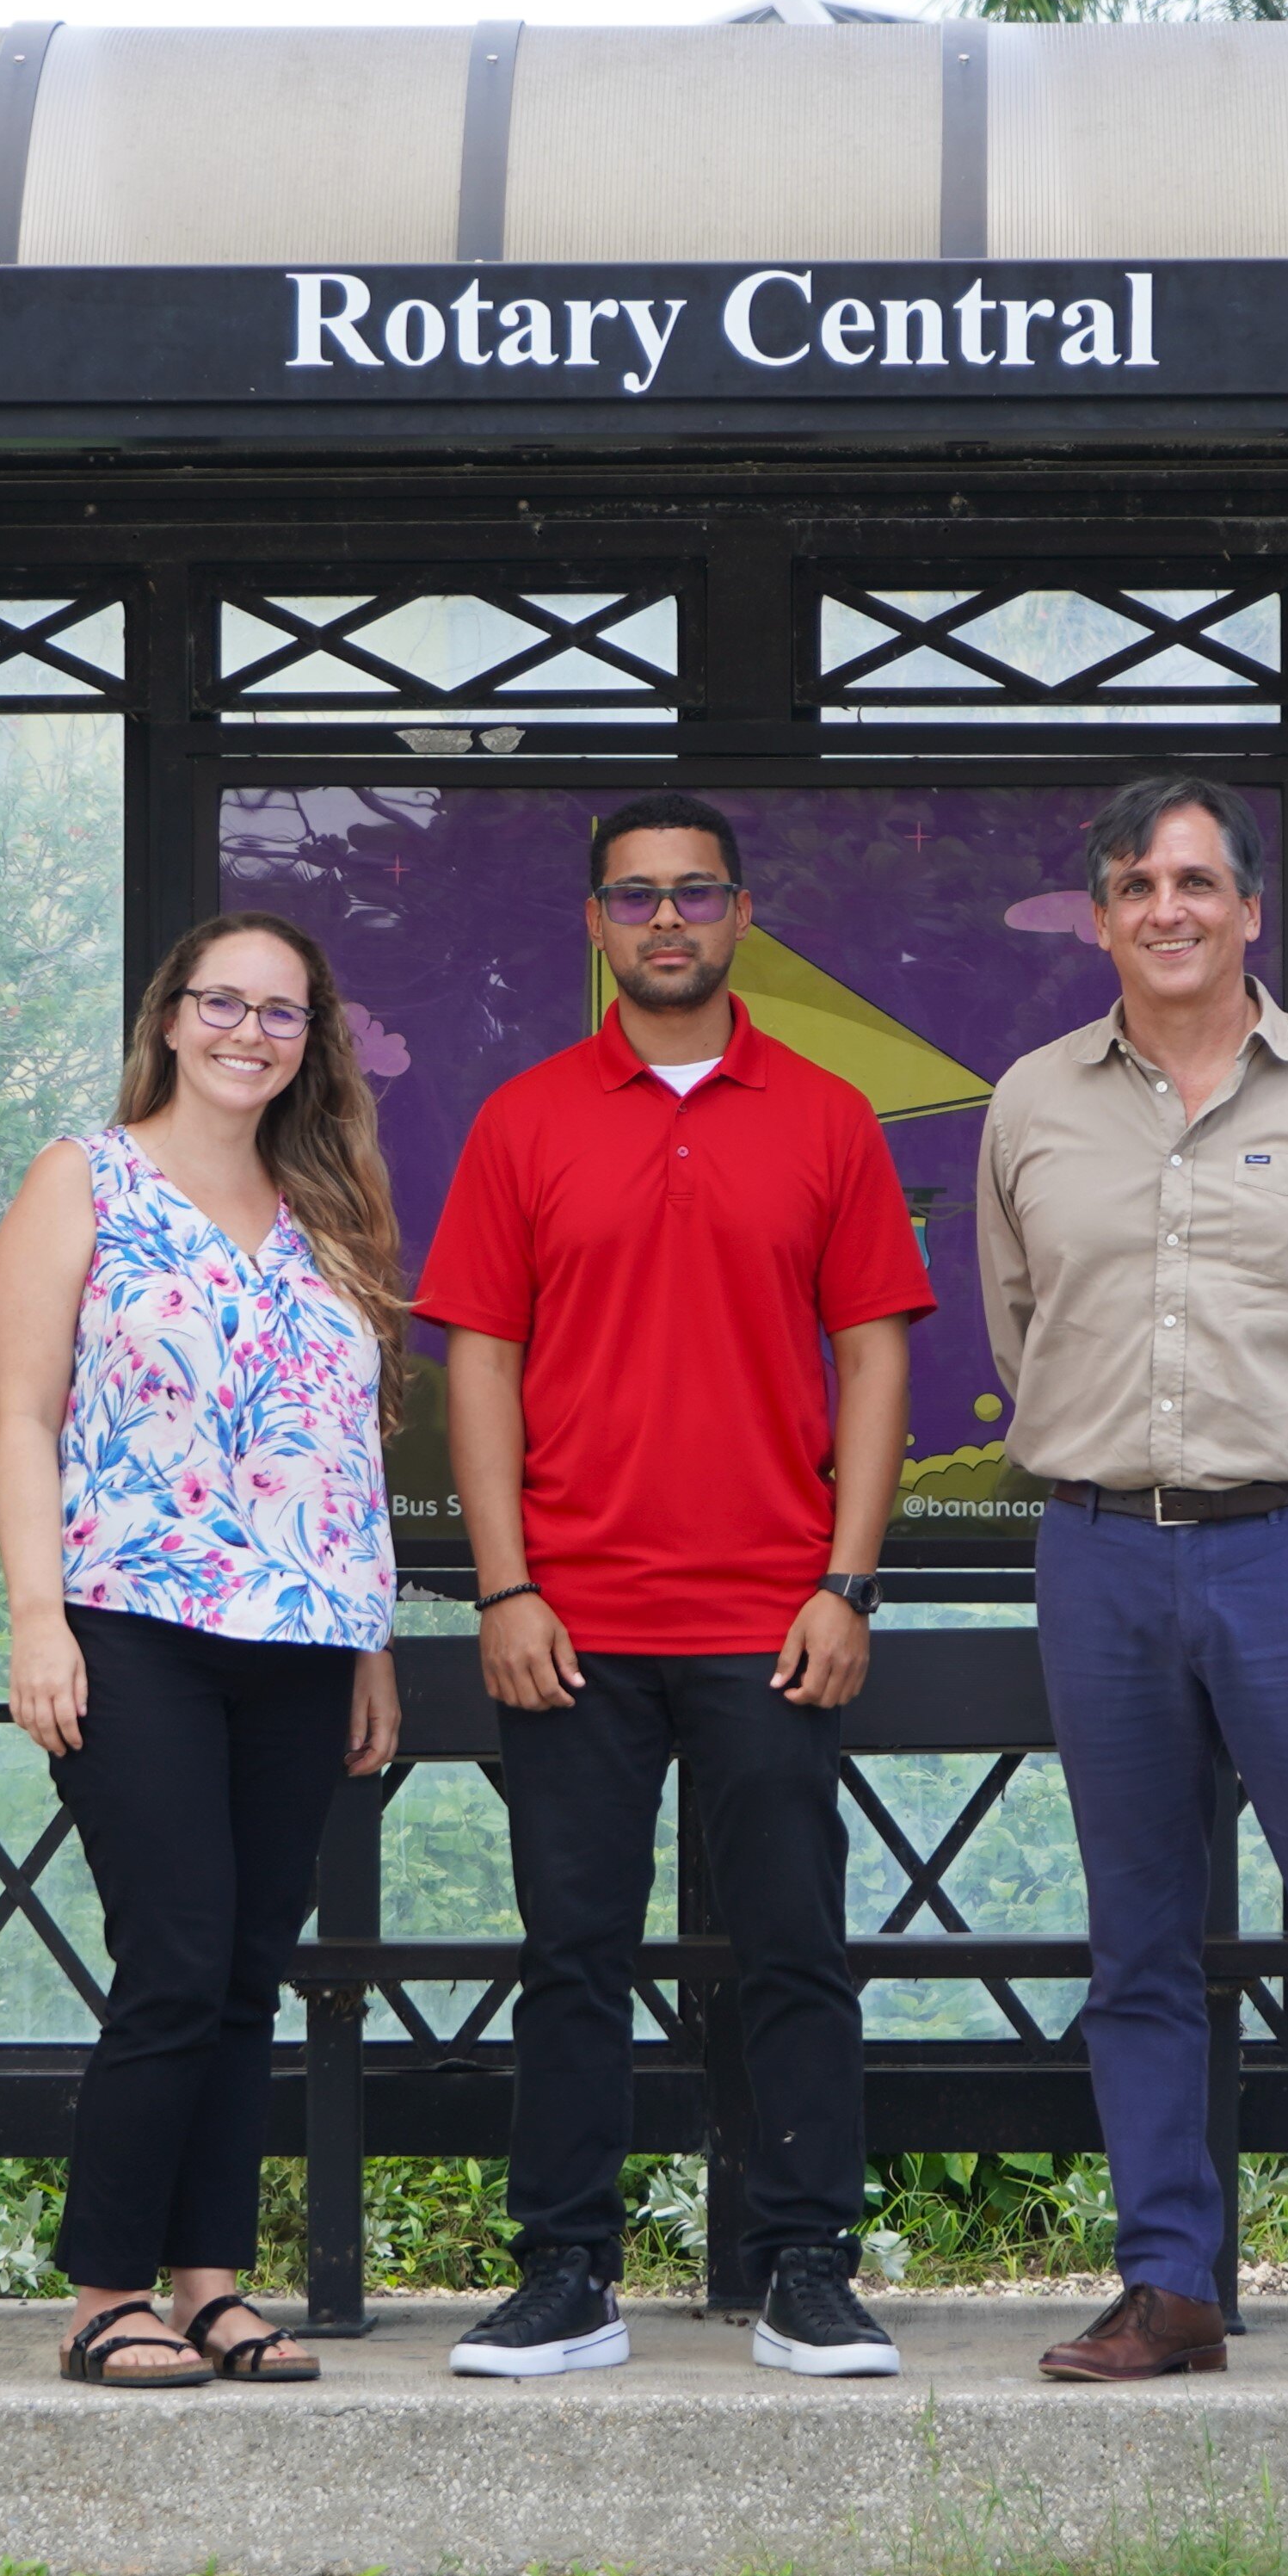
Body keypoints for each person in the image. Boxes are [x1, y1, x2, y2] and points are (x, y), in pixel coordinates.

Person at [974, 773, 1288, 2393]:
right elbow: (1021, 1328)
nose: (1168, 910)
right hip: (1103, 1558)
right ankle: (1168, 2286)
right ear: (1101, 917)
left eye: (1196, 881)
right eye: (1136, 885)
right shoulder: (1032, 1106)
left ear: (1251, 908)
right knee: (1136, 1942)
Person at [417, 792, 933, 2381]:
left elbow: (875, 1358)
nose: (665, 919)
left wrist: (849, 1583)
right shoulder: (525, 1120)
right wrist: (504, 1591)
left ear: (740, 915)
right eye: (635, 895)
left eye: (695, 893)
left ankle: (806, 2269)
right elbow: (481, 1364)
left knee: (795, 1951)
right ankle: (566, 2274)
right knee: (572, 1956)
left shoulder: (830, 1117)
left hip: (775, 1621)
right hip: (571, 1625)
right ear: (595, 922)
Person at [0, 910, 408, 2388]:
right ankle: (106, 2293)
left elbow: (346, 1447)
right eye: (223, 1003)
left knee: (244, 1968)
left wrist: (369, 1641)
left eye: (282, 1012)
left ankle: (211, 2285)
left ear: (310, 1040)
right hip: (132, 1622)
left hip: (304, 1636)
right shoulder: (83, 1178)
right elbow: (22, 1415)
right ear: (170, 1017)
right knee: (171, 1956)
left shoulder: (330, 1208)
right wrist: (38, 1617)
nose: (249, 1033)